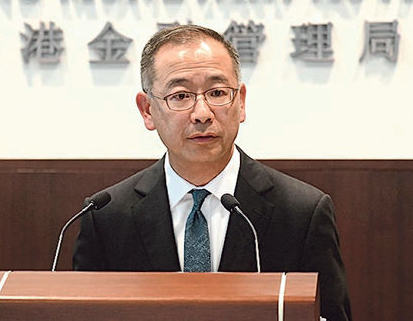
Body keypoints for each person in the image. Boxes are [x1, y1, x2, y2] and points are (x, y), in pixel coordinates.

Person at [73, 24, 352, 321]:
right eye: (181, 96)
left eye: (217, 93)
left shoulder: (301, 212)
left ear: (241, 102)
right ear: (147, 110)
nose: (202, 113)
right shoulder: (107, 216)